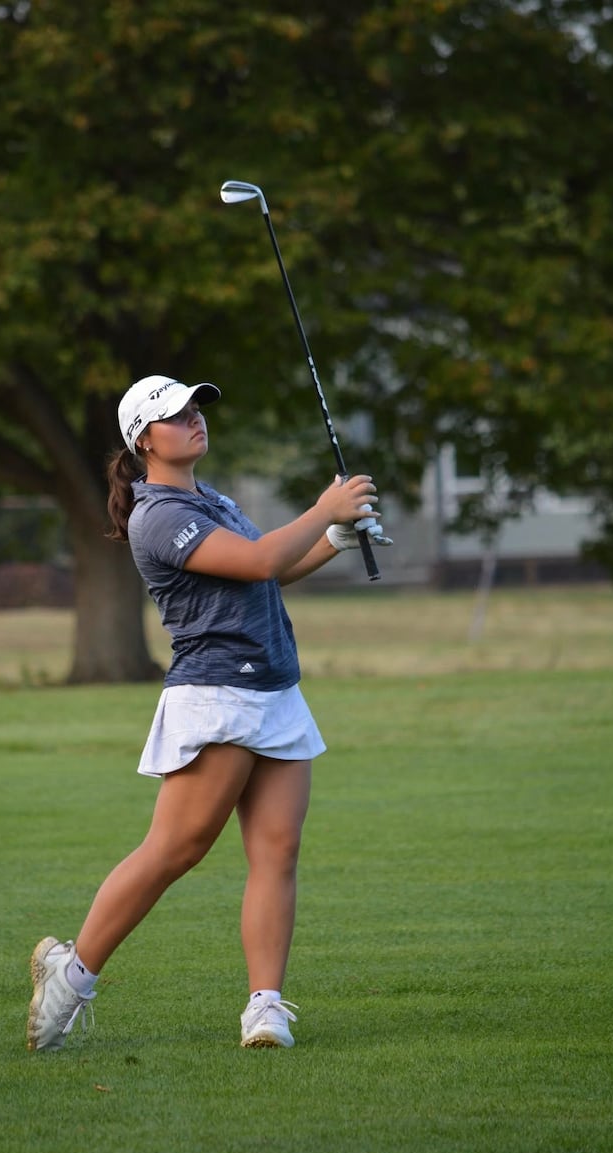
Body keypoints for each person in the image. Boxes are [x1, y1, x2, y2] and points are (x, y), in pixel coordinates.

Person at [27, 374, 387, 1053]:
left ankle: (265, 1006)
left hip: (275, 688)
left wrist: (334, 537)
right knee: (176, 850)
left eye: (196, 409)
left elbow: (271, 570)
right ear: (143, 441)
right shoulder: (156, 513)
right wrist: (324, 507)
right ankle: (69, 977)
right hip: (217, 692)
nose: (194, 420)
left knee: (277, 852)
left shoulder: (211, 500)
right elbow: (254, 561)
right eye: (175, 415)